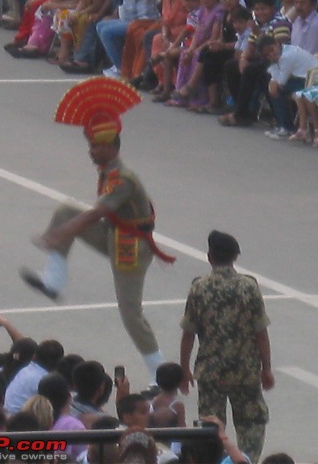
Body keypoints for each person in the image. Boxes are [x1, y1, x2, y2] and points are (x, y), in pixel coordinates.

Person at [21, 78, 174, 386]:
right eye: (90, 144)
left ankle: (159, 375)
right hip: (115, 236)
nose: (91, 151)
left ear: (112, 146)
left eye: (96, 145)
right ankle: (53, 280)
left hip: (132, 248)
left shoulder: (122, 178)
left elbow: (97, 213)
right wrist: (64, 229)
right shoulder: (108, 171)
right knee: (65, 208)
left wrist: (59, 233)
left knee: (131, 314)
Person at [180, 230, 274, 463]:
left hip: (211, 371)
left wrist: (185, 369)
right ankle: (246, 460)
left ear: (209, 257)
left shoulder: (199, 288)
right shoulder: (248, 287)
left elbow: (188, 334)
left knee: (210, 426)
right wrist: (266, 368)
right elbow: (261, 332)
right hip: (246, 371)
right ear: (235, 257)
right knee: (251, 422)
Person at [259, 35, 318, 139]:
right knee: (273, 88)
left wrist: (273, 81)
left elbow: (281, 81)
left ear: (276, 43)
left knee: (278, 90)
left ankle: (286, 127)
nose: (271, 54)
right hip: (299, 77)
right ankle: (283, 124)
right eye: (267, 54)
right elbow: (276, 77)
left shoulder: (287, 56)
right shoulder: (280, 54)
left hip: (312, 79)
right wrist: (272, 81)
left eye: (271, 50)